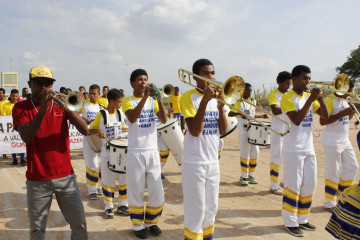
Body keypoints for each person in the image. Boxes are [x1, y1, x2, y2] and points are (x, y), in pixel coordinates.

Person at [12, 66, 88, 240]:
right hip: (37, 179)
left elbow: (85, 130)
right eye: (39, 83)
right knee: (37, 230)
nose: (44, 87)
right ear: (30, 84)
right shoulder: (20, 107)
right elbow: (27, 137)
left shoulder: (61, 105)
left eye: (48, 83)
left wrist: (69, 109)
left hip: (66, 177)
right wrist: (43, 110)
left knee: (80, 224)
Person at [180, 59, 227, 240]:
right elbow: (194, 130)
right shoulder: (188, 97)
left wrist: (221, 107)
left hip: (213, 162)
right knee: (196, 209)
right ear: (195, 77)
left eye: (212, 73)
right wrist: (205, 100)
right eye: (206, 73)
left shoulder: (216, 100)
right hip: (194, 163)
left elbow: (222, 131)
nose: (211, 77)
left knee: (211, 208)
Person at [280, 65, 329, 237]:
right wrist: (311, 100)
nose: (307, 82)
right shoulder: (287, 98)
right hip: (293, 149)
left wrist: (321, 99)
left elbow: (326, 118)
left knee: (310, 184)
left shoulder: (310, 97)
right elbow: (296, 121)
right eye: (304, 78)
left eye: (309, 78)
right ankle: (290, 221)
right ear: (294, 79)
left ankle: (303, 218)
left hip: (308, 148)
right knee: (293, 185)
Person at [122, 69, 167, 239]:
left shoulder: (153, 100)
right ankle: (137, 225)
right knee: (136, 191)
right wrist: (146, 98)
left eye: (145, 79)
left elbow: (163, 119)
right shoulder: (127, 101)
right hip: (135, 152)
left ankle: (151, 222)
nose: (143, 82)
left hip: (152, 151)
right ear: (132, 83)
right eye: (140, 80)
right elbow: (132, 118)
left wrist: (159, 100)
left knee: (157, 191)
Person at [89, 88, 130, 219]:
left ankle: (123, 204)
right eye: (119, 102)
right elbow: (91, 129)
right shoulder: (101, 114)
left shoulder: (121, 113)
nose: (120, 104)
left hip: (121, 152)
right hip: (107, 152)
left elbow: (125, 127)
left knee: (124, 179)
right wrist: (98, 132)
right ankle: (109, 206)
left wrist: (125, 132)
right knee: (108, 180)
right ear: (111, 101)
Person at [319, 80, 359, 212]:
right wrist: (342, 113)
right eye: (349, 89)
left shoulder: (345, 100)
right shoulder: (330, 100)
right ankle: (330, 202)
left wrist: (351, 110)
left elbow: (347, 117)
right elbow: (323, 121)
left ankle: (342, 196)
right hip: (332, 140)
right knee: (333, 170)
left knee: (353, 167)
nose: (351, 92)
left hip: (344, 139)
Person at [229, 83, 267, 185]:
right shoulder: (238, 102)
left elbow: (252, 116)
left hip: (253, 130)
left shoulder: (253, 101)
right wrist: (240, 114)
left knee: (255, 152)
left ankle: (251, 176)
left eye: (250, 90)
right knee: (245, 153)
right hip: (243, 130)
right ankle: (243, 177)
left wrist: (261, 116)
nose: (249, 92)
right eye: (247, 90)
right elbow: (230, 113)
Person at [267, 71, 292, 195]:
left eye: (290, 83)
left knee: (289, 158)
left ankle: (286, 181)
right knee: (276, 158)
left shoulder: (290, 94)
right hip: (277, 131)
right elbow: (275, 111)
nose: (289, 86)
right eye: (287, 83)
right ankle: (273, 185)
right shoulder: (273, 94)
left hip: (289, 131)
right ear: (279, 83)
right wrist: (289, 106)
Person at [79, 84, 104, 200]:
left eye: (94, 93)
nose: (92, 95)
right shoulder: (85, 105)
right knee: (91, 164)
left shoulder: (102, 107)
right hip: (88, 138)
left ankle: (99, 185)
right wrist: (85, 119)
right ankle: (92, 190)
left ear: (99, 94)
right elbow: (75, 113)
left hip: (99, 138)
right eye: (90, 93)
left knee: (102, 164)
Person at [2, 89, 25, 165]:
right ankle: (14, 159)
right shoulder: (6, 106)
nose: (15, 97)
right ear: (10, 96)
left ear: (18, 96)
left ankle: (22, 159)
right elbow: (4, 117)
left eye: (16, 96)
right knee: (12, 143)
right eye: (13, 96)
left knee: (20, 142)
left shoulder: (21, 105)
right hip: (10, 128)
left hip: (19, 126)